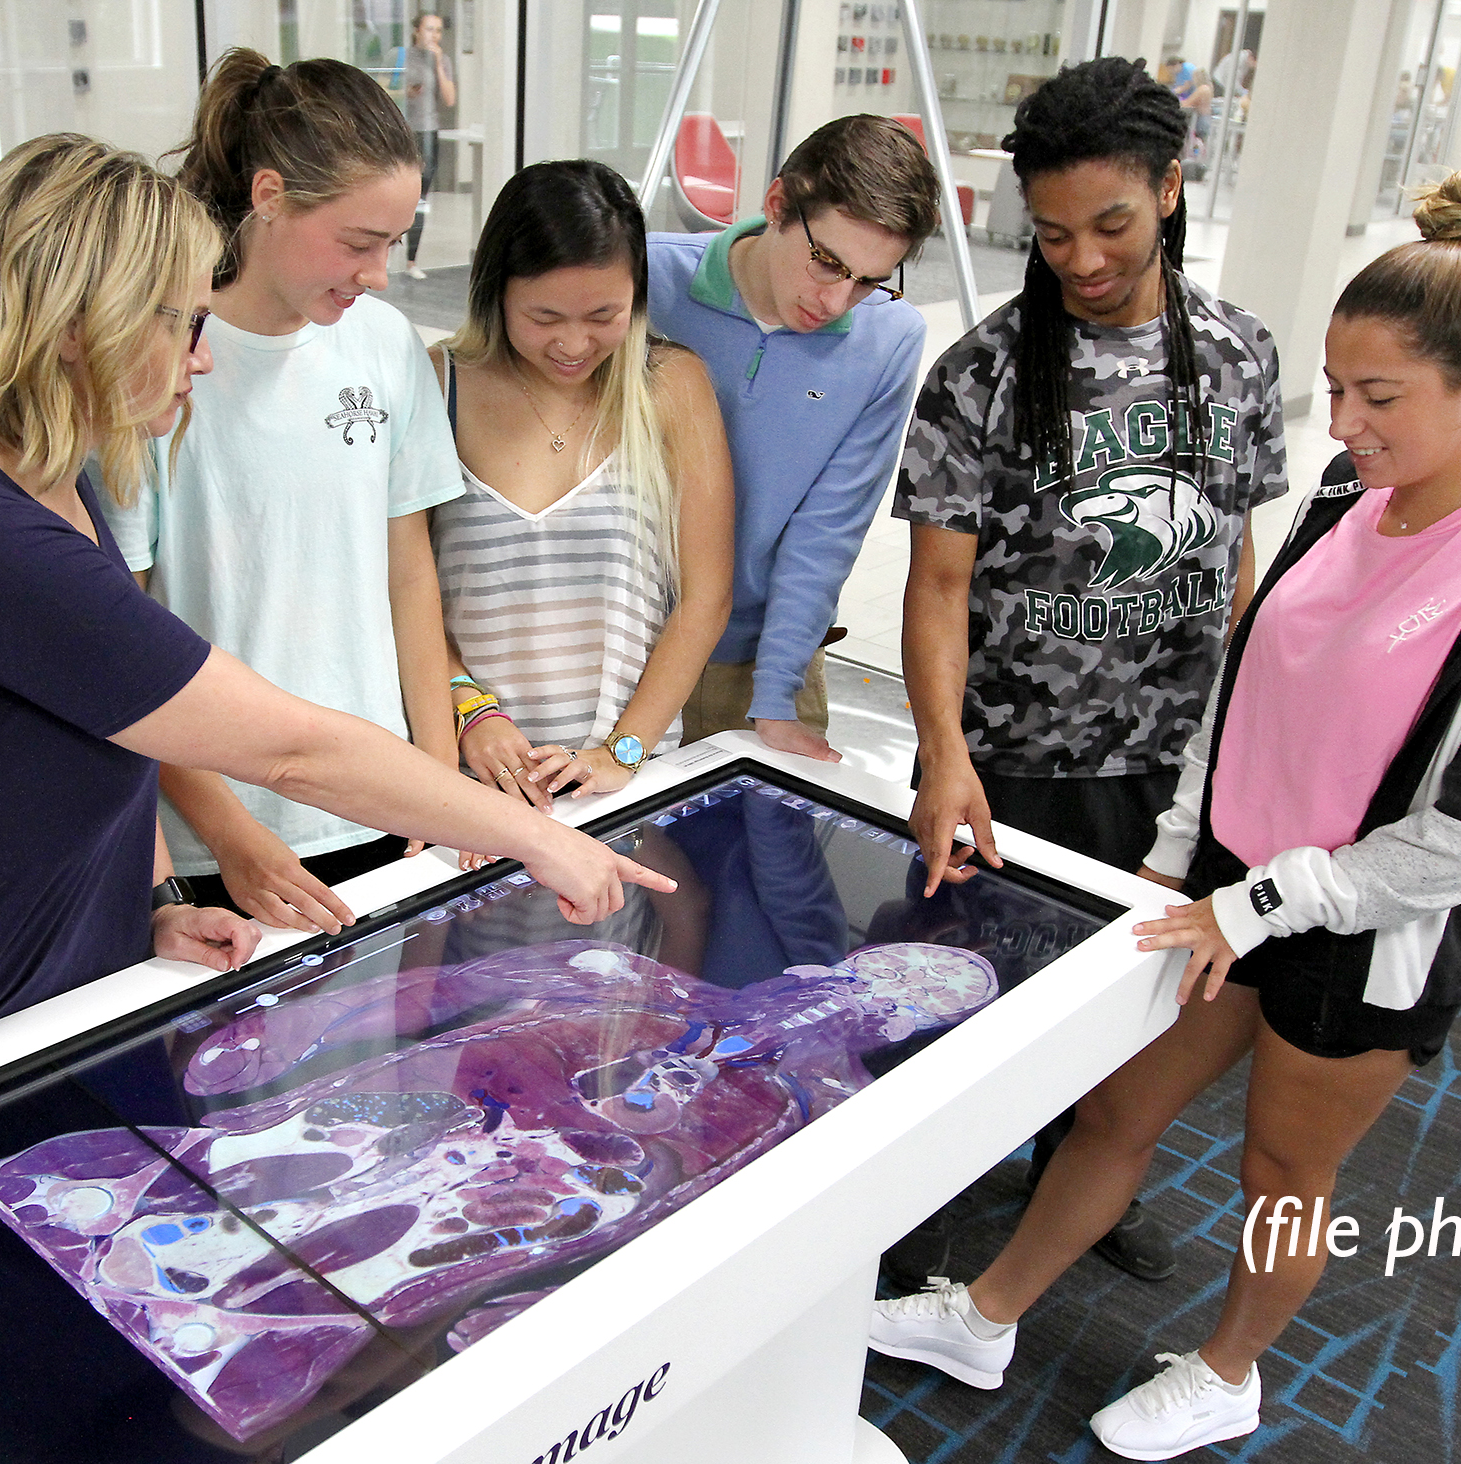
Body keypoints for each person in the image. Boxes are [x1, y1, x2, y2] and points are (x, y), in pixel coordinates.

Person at [0, 135, 671, 1131]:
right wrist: (533, 839)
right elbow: (288, 749)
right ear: (82, 325)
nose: (201, 355)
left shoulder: (56, 478)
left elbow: (90, 739)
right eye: (187, 322)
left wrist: (149, 905)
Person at [871, 167, 1461, 1461]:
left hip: (1363, 935)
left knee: (1285, 1173)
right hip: (1222, 883)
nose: (1344, 424)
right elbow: (1246, 672)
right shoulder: (1346, 495)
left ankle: (1229, 1371)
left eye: (1380, 398)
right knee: (1112, 1111)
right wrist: (1178, 857)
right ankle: (985, 1316)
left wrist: (1259, 899)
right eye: (1336, 388)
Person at [895, 58, 1288, 1283]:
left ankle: (1078, 1184)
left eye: (1109, 224)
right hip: (1007, 755)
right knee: (963, 991)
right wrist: (944, 756)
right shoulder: (982, 372)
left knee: (1121, 1008)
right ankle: (906, 1202)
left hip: (1167, 763)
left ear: (1170, 190)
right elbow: (937, 586)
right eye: (1053, 232)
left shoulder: (1238, 355)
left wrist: (1238, 740)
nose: (1079, 257)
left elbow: (1235, 552)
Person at [103, 49, 462, 934]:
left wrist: (440, 784)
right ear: (269, 196)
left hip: (382, 798)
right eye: (357, 241)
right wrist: (226, 833)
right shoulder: (158, 364)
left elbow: (409, 577)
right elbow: (124, 649)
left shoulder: (385, 345)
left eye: (394, 242)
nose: (378, 271)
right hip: (222, 828)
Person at [431, 160, 732, 829]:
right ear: (496, 292)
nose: (573, 344)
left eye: (604, 315)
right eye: (543, 317)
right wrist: (468, 710)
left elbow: (706, 595)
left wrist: (623, 752)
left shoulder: (672, 386)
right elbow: (406, 595)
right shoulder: (437, 385)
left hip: (624, 786)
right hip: (475, 786)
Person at [646, 114, 939, 762]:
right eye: (828, 263)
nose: (837, 301)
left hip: (767, 660)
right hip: (623, 650)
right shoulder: (648, 279)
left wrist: (776, 696)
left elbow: (826, 531)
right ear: (778, 204)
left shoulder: (889, 338)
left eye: (868, 281)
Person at [401, 11, 456, 281]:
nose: (433, 36)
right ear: (416, 31)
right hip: (404, 131)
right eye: (428, 29)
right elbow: (387, 89)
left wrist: (437, 65)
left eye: (437, 31)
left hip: (428, 132)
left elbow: (449, 99)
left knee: (420, 197)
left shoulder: (442, 59)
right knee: (401, 193)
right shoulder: (403, 55)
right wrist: (406, 92)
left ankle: (412, 260)